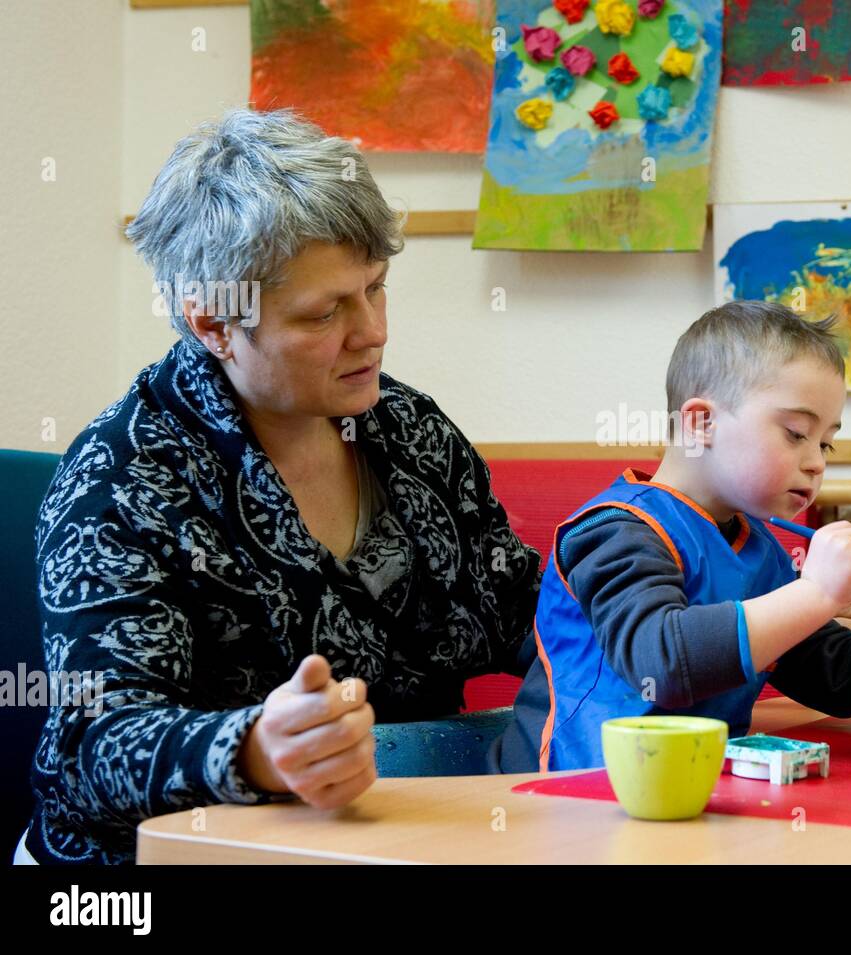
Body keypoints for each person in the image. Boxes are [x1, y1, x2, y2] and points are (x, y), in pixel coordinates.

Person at [18, 108, 540, 865]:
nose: (372, 331)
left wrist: (670, 629)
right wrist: (256, 748)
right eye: (324, 312)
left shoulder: (408, 430)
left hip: (387, 838)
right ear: (213, 324)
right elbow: (93, 746)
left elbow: (519, 606)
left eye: (375, 288)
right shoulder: (123, 479)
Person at [494, 301, 851, 773]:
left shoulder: (761, 553)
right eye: (796, 433)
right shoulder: (614, 531)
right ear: (700, 425)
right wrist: (814, 594)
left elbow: (834, 683)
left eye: (826, 443)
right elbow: (663, 663)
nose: (817, 461)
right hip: (566, 798)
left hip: (687, 795)